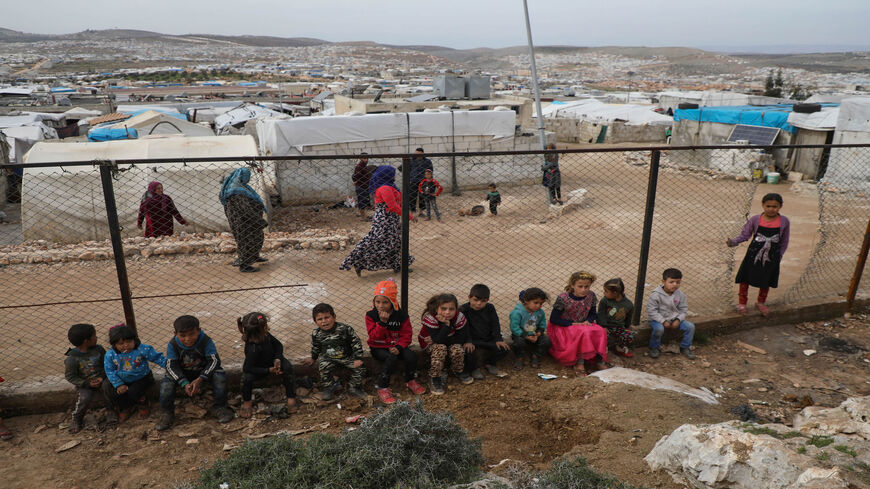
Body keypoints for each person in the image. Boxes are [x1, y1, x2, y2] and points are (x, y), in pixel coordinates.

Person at [157, 315, 233, 431]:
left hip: (203, 372)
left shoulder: (205, 341)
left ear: (199, 331)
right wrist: (184, 383)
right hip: (183, 374)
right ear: (175, 333)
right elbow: (171, 366)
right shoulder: (173, 344)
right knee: (166, 385)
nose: (188, 339)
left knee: (220, 376)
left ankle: (221, 407)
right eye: (183, 335)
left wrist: (201, 378)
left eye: (191, 334)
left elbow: (214, 361)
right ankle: (167, 413)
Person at [339, 165, 416, 277]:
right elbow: (393, 206)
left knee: (396, 242)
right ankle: (358, 262)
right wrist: (409, 216)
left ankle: (399, 264)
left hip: (391, 218)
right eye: (392, 173)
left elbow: (397, 203)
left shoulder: (390, 186)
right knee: (376, 241)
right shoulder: (385, 188)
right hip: (385, 219)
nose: (395, 175)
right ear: (387, 175)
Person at [727, 193, 790, 317]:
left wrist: (780, 255)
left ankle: (761, 302)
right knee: (745, 278)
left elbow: (784, 240)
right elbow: (745, 235)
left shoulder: (784, 221)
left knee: (766, 279)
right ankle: (742, 303)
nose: (771, 209)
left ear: (780, 206)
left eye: (775, 206)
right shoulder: (755, 219)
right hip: (753, 254)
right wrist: (734, 242)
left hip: (772, 256)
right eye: (768, 206)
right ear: (762, 205)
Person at [365, 279, 426, 404]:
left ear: (392, 302)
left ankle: (410, 380)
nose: (381, 306)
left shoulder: (401, 316)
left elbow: (407, 335)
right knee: (391, 358)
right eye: (377, 301)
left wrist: (399, 347)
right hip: (378, 347)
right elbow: (373, 337)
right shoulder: (371, 315)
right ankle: (382, 386)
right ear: (374, 301)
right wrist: (382, 323)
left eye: (385, 302)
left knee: (411, 356)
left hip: (396, 345)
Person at [237, 312, 297, 418]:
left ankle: (291, 397)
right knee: (246, 378)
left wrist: (277, 358)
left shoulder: (266, 336)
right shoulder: (253, 348)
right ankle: (247, 402)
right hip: (259, 368)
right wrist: (268, 370)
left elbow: (278, 345)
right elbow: (247, 368)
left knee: (288, 367)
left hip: (273, 361)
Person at [302, 303, 367, 401]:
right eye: (320, 319)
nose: (324, 321)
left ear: (334, 317)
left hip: (347, 357)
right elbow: (316, 347)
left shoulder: (345, 329)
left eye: (327, 317)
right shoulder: (316, 333)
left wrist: (359, 358)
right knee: (323, 366)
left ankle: (354, 387)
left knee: (360, 368)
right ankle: (330, 387)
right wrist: (313, 358)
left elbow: (356, 343)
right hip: (329, 358)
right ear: (315, 321)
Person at [548, 272, 609, 376]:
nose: (584, 289)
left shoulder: (591, 295)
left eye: (587, 286)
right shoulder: (563, 298)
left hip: (583, 324)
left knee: (600, 331)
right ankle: (579, 362)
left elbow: (593, 313)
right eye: (580, 286)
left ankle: (600, 360)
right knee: (583, 333)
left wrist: (589, 321)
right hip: (565, 325)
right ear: (572, 285)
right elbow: (554, 319)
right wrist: (572, 323)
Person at [103, 324, 167, 422]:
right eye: (121, 343)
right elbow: (109, 370)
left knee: (135, 391)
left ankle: (143, 404)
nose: (126, 345)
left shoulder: (142, 349)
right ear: (114, 344)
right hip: (122, 379)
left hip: (142, 377)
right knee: (116, 393)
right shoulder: (110, 354)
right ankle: (126, 408)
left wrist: (170, 366)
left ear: (134, 339)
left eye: (129, 341)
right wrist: (118, 384)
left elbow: (157, 358)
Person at [418, 293, 473, 394]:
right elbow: (438, 341)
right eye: (443, 308)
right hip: (429, 344)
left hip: (448, 341)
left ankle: (457, 370)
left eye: (451, 309)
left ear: (456, 309)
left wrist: (443, 337)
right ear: (436, 309)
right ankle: (434, 377)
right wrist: (447, 325)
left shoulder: (459, 317)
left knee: (457, 348)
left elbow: (460, 338)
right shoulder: (430, 318)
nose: (447, 312)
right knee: (440, 348)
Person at [220, 168, 268, 273]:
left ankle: (254, 256)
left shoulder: (242, 187)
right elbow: (245, 209)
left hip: (250, 220)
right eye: (247, 176)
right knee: (245, 240)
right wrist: (258, 220)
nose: (248, 178)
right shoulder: (236, 191)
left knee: (257, 237)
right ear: (242, 176)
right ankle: (244, 265)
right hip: (244, 221)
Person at [64, 323, 110, 433]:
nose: (96, 338)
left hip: (102, 378)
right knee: (85, 398)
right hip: (85, 384)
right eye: (94, 336)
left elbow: (107, 365)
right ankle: (77, 418)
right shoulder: (72, 358)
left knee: (108, 388)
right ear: (86, 341)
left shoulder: (98, 350)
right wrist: (86, 384)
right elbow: (71, 376)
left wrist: (102, 377)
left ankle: (112, 411)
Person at [460, 284, 510, 380]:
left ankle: (489, 363)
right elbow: (463, 328)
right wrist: (468, 341)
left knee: (504, 348)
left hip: (487, 339)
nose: (479, 303)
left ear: (487, 300)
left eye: (483, 301)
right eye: (475, 300)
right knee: (467, 351)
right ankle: (474, 368)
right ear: (469, 298)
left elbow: (495, 324)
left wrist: (498, 339)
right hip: (472, 340)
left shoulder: (490, 308)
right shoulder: (464, 310)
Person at [648, 268, 696, 360]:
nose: (675, 285)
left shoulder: (680, 295)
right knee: (659, 329)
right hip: (658, 320)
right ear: (663, 281)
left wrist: (678, 320)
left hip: (674, 319)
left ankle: (685, 347)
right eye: (671, 282)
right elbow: (651, 311)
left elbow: (683, 310)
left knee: (690, 327)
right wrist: (663, 321)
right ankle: (654, 347)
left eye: (678, 282)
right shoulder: (655, 295)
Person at [509, 288, 552, 370]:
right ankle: (519, 358)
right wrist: (525, 336)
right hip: (520, 334)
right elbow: (514, 328)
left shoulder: (540, 312)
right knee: (519, 343)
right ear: (526, 301)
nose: (539, 306)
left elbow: (542, 324)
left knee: (547, 342)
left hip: (535, 334)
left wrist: (538, 333)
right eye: (536, 303)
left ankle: (535, 355)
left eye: (541, 303)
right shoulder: (517, 313)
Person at [597, 278, 635, 358]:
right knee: (603, 336)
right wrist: (603, 326)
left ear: (615, 293)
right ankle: (602, 353)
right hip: (606, 326)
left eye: (606, 291)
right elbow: (601, 314)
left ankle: (619, 349)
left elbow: (628, 317)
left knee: (629, 336)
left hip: (619, 326)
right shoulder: (605, 301)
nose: (604, 293)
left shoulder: (628, 304)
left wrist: (628, 326)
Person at [402, 147, 433, 212]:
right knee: (412, 196)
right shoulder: (411, 160)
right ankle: (412, 210)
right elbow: (402, 168)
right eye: (416, 154)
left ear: (423, 154)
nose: (417, 155)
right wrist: (409, 176)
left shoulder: (427, 161)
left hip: (423, 181)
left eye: (419, 154)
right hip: (413, 180)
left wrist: (429, 180)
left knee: (422, 196)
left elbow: (431, 170)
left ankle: (421, 211)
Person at [352, 153, 377, 220]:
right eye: (364, 158)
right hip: (361, 187)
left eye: (367, 158)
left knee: (365, 202)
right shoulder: (359, 166)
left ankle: (364, 216)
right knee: (362, 203)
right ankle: (363, 217)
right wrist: (356, 181)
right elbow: (355, 176)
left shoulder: (363, 166)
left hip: (364, 186)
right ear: (361, 158)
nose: (366, 160)